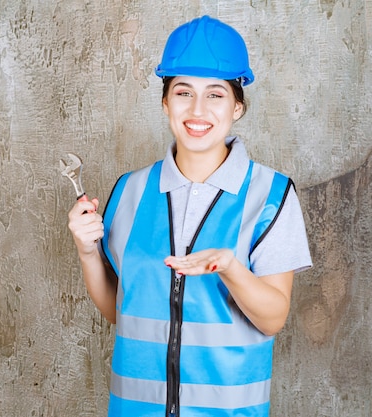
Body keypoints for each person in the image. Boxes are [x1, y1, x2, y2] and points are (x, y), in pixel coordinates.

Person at [68, 15, 312, 417]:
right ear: (166, 102)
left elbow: (273, 318)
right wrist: (87, 252)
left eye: (215, 94)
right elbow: (121, 312)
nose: (197, 109)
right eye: (183, 92)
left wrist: (231, 268)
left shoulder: (271, 194)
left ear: (237, 106)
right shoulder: (129, 191)